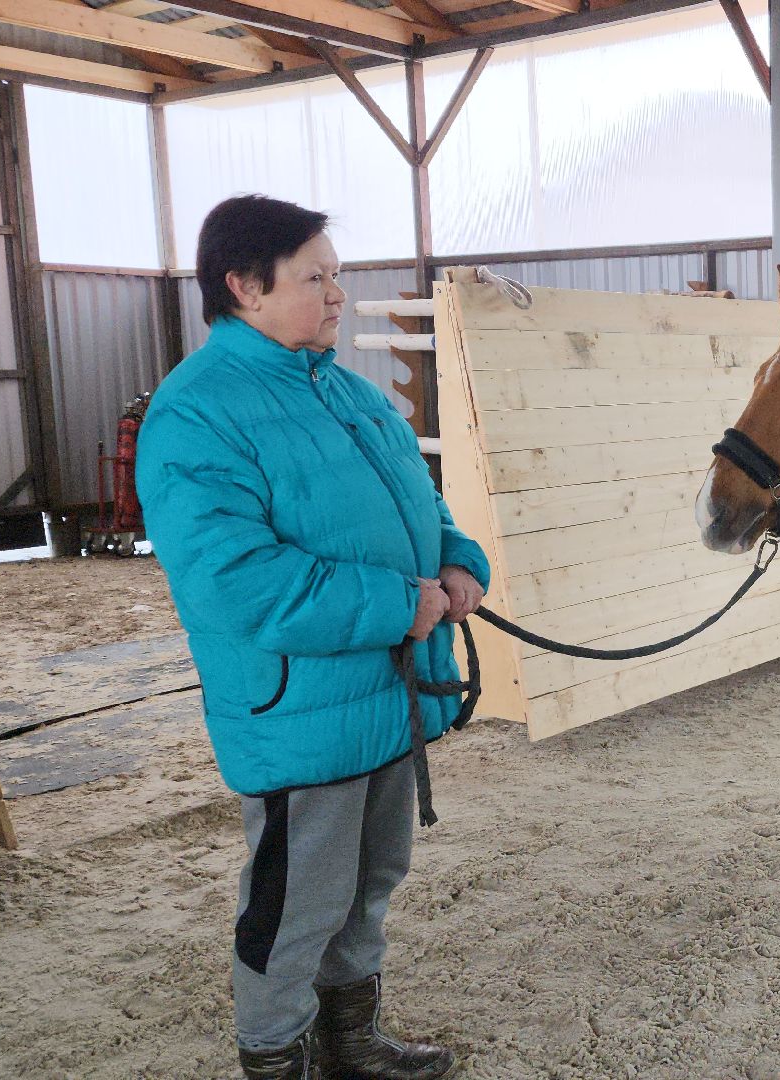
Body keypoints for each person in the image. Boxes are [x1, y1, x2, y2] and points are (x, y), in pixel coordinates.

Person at [137, 194, 489, 1080]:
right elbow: (235, 580)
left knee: (371, 883)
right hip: (301, 712)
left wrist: (456, 558)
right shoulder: (196, 415)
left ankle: (350, 1043)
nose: (337, 294)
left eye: (337, 274)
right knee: (296, 906)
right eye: (314, 278)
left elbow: (421, 501)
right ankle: (275, 1056)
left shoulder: (346, 391)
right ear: (244, 288)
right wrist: (393, 605)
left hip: (389, 694)